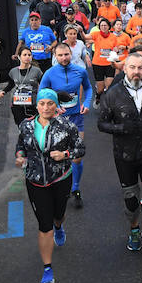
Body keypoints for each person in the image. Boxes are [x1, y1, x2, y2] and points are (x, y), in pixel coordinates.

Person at [97, 54, 142, 256]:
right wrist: (121, 127)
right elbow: (101, 124)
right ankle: (134, 229)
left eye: (140, 68)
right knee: (131, 200)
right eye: (132, 67)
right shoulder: (113, 93)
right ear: (125, 69)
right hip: (124, 155)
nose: (136, 71)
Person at [15, 88, 85, 283]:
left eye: (50, 103)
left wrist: (65, 155)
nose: (46, 107)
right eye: (42, 103)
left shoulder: (66, 126)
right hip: (35, 181)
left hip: (60, 179)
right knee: (44, 225)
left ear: (56, 106)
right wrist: (20, 156)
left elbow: (80, 149)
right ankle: (47, 268)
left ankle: (59, 226)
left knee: (58, 214)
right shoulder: (26, 125)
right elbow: (21, 145)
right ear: (36, 106)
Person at [39, 42, 93, 209]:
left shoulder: (80, 71)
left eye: (66, 54)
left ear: (71, 54)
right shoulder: (49, 73)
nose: (64, 58)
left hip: (76, 118)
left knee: (77, 156)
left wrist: (87, 103)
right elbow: (41, 95)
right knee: (55, 155)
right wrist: (53, 107)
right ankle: (56, 185)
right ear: (55, 56)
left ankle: (75, 189)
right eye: (60, 55)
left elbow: (89, 88)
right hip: (56, 121)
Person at [0, 46, 43, 125]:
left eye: (29, 55)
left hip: (32, 104)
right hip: (17, 103)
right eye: (24, 55)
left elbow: (43, 85)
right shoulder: (13, 71)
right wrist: (4, 91)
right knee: (20, 126)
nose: (27, 57)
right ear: (19, 57)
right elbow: (11, 84)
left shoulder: (37, 71)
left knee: (33, 126)